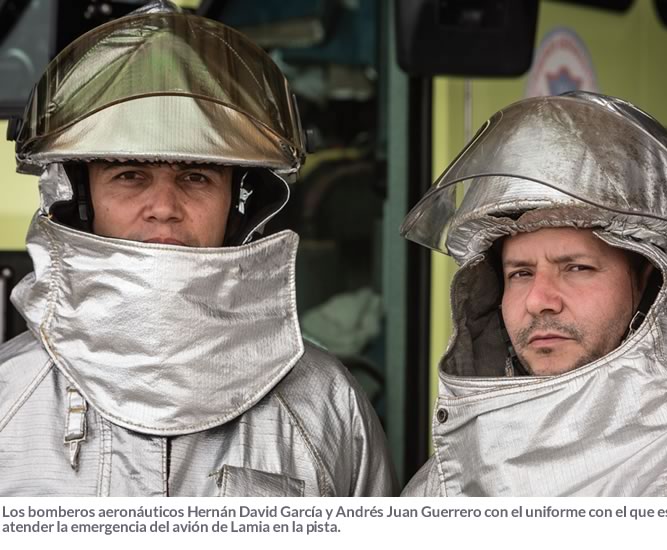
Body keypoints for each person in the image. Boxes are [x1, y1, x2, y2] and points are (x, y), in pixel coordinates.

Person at [0, 1, 396, 497]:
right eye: (129, 175)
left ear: (239, 202)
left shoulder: (326, 406)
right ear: (82, 198)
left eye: (196, 176)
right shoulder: (8, 397)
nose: (163, 206)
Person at [400, 91, 667, 496]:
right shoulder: (443, 483)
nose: (539, 300)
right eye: (520, 273)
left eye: (576, 268)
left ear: (652, 283)